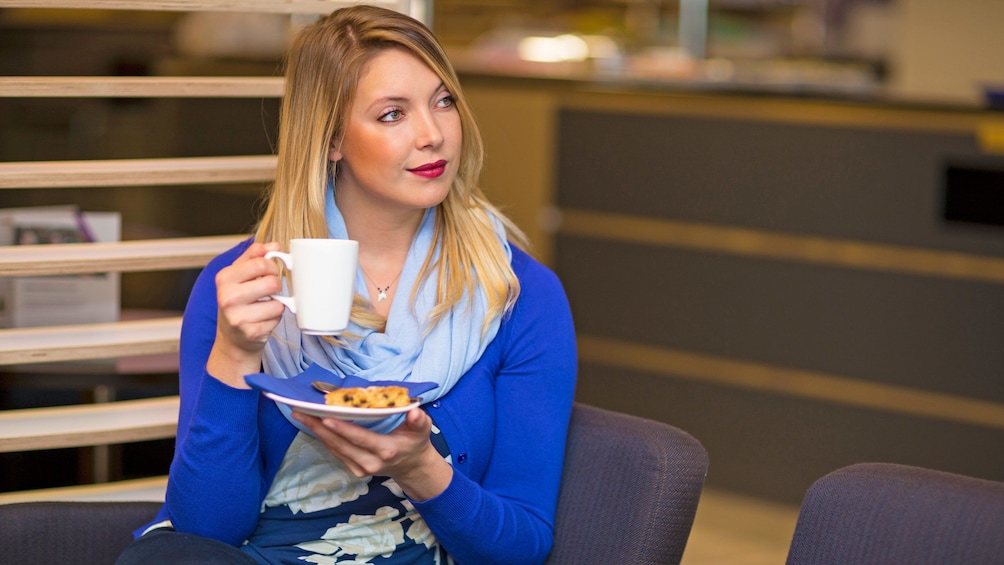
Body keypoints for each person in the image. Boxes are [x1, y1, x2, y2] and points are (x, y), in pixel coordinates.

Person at [116, 5, 577, 565]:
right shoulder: (241, 287)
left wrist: (419, 467)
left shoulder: (519, 295)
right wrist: (234, 357)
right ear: (331, 139)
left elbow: (523, 545)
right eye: (391, 115)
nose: (433, 135)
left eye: (443, 101)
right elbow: (204, 529)